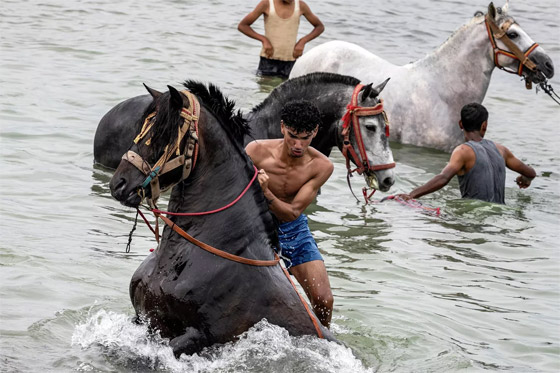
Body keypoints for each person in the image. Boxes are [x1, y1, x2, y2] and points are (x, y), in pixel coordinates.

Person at [245, 100, 334, 328]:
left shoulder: (321, 166)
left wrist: (266, 192)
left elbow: (293, 213)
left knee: (324, 300)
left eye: (305, 138)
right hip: (255, 225)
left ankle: (322, 347)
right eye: (293, 135)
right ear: (282, 127)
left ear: (315, 132)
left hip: (292, 228)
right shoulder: (256, 151)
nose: (298, 144)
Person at [397, 103, 536, 204]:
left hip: (474, 219)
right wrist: (525, 179)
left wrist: (411, 195)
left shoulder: (462, 152)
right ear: (484, 125)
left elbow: (443, 178)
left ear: (460, 124)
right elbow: (530, 173)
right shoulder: (501, 150)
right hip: (500, 215)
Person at [238, 0, 324, 78]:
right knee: (265, 90)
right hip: (268, 60)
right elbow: (243, 26)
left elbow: (319, 27)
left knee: (287, 93)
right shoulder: (267, 4)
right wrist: (264, 40)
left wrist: (302, 41)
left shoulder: (300, 6)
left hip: (290, 61)